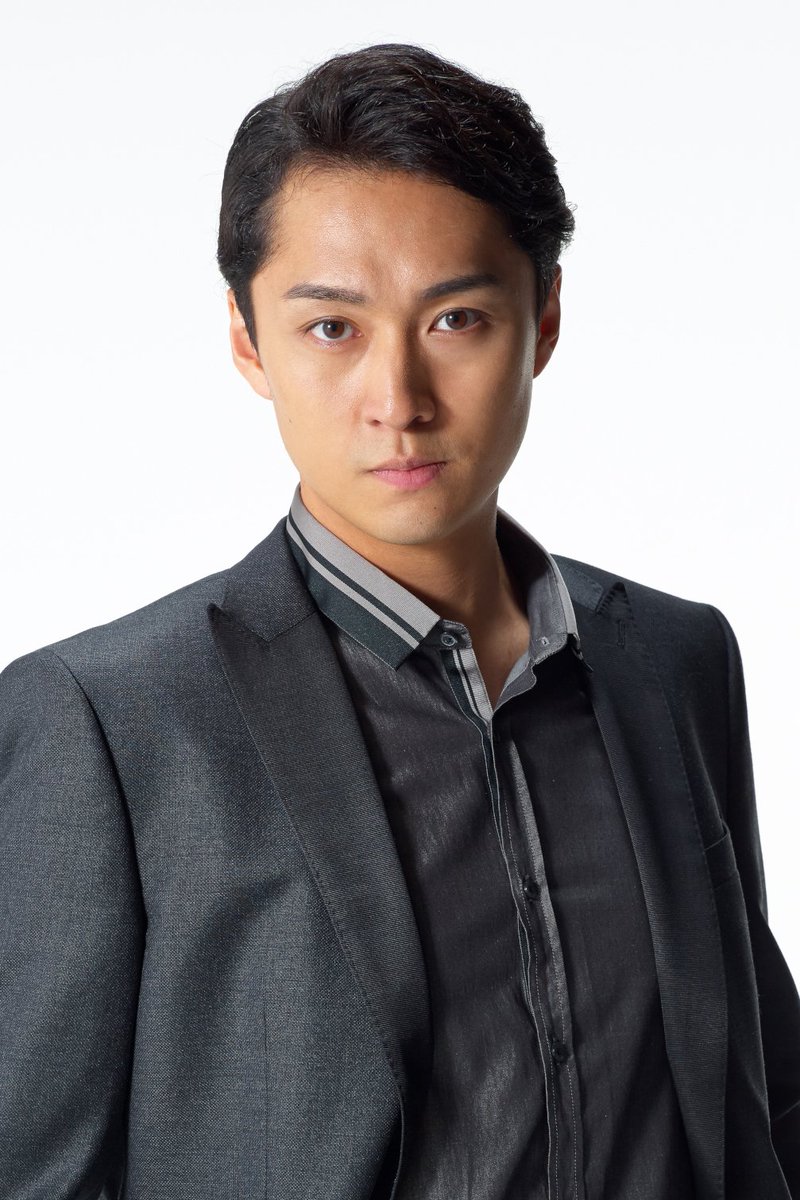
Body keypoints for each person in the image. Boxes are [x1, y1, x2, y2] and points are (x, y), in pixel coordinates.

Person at [0, 42, 797, 1200]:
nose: (398, 402)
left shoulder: (672, 661)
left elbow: (760, 1095)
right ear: (247, 340)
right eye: (332, 328)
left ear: (543, 319)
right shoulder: (106, 724)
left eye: (455, 318)